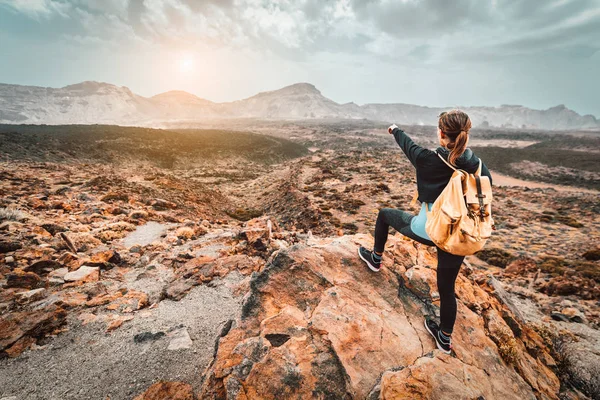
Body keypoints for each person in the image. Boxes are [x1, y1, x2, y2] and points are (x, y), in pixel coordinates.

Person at [357, 109, 492, 354]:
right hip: (460, 235)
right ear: (465, 135)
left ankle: (375, 259)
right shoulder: (478, 165)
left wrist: (395, 129)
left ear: (441, 134)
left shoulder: (430, 160)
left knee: (385, 215)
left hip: (431, 230)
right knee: (447, 289)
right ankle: (444, 339)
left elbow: (409, 145)